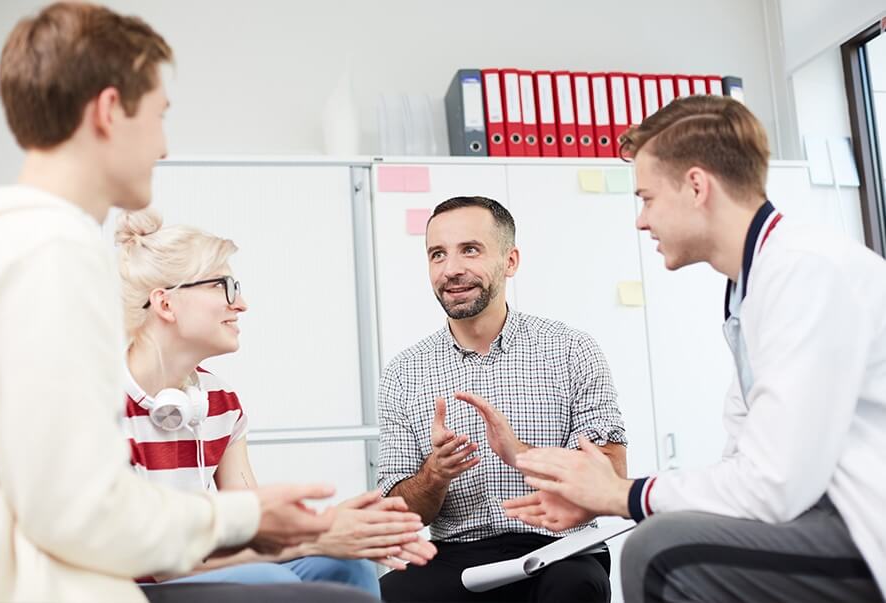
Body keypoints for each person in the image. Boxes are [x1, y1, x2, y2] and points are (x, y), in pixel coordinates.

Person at [0, 3, 375, 602]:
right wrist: (250, 519)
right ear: (111, 110)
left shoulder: (13, 240)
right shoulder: (53, 255)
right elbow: (77, 511)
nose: (164, 148)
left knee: (341, 581)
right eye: (160, 117)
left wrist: (288, 529)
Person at [504, 95, 885, 602]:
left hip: (864, 525)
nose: (641, 221)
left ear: (697, 186)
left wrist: (624, 494)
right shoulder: (752, 289)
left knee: (660, 552)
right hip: (826, 514)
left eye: (647, 198)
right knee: (669, 536)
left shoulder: (805, 271)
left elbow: (771, 485)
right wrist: (609, 497)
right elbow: (741, 469)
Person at [116, 208, 436, 594]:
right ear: (166, 304)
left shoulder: (218, 402)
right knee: (270, 580)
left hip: (190, 573)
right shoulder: (97, 402)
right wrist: (316, 538)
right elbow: (160, 560)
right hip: (128, 588)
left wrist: (329, 524)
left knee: (346, 567)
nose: (242, 304)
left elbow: (254, 526)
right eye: (225, 286)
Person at [376, 196, 628, 603]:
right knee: (383, 594)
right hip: (456, 553)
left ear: (510, 261)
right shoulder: (404, 373)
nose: (451, 269)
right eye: (437, 254)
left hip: (559, 551)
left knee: (574, 587)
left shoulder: (571, 350)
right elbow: (399, 514)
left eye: (470, 250)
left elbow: (612, 477)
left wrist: (521, 454)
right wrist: (435, 474)